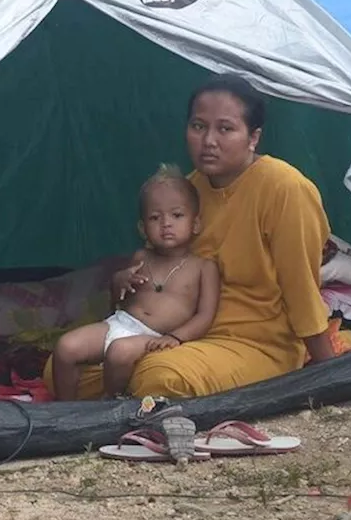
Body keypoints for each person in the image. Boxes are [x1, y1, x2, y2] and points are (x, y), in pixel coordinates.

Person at [44, 73, 335, 400]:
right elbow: (160, 276)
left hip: (254, 344)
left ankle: (132, 395)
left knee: (161, 379)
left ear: (253, 137)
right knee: (61, 365)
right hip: (181, 335)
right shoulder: (189, 191)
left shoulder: (285, 188)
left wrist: (331, 373)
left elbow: (302, 288)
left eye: (225, 129)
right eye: (198, 126)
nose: (209, 140)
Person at [52, 165, 220, 400]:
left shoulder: (203, 267)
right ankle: (64, 412)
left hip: (155, 336)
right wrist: (119, 282)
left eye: (177, 215)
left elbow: (205, 316)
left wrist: (176, 337)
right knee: (65, 347)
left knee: (119, 352)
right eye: (155, 217)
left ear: (195, 224)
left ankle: (111, 405)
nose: (166, 224)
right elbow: (118, 303)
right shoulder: (142, 257)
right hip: (120, 323)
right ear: (142, 228)